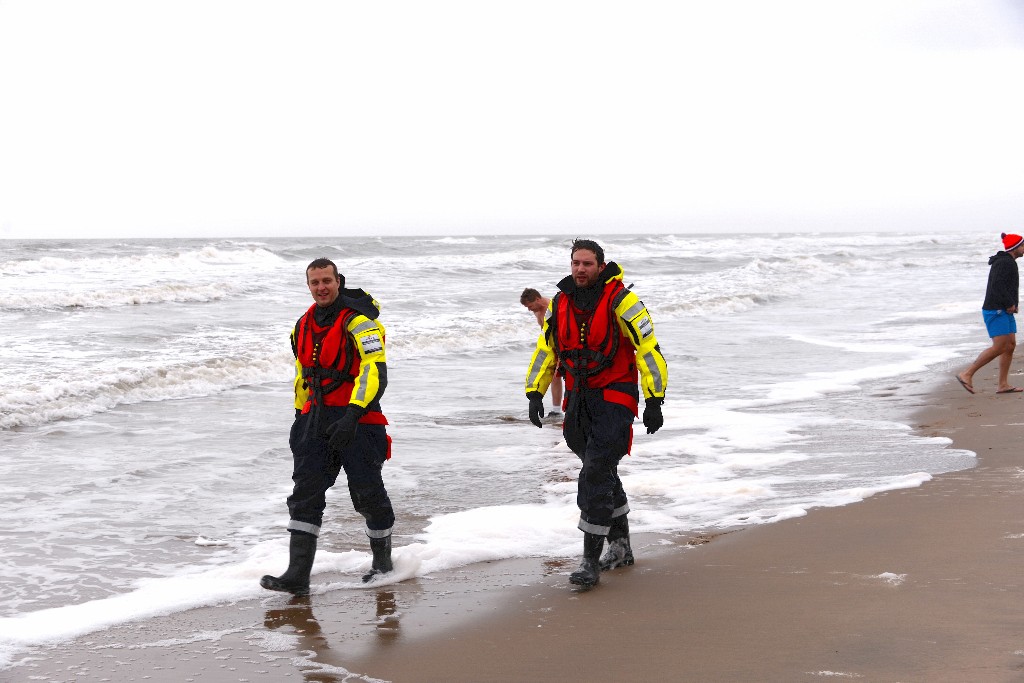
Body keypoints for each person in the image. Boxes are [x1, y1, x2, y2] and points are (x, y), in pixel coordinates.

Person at [523, 239, 669, 588]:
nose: (580, 269)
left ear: (600, 266)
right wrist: (534, 391)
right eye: (575, 263)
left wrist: (654, 400)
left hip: (615, 395)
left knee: (594, 473)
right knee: (599, 470)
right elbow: (547, 349)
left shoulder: (623, 300)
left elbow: (648, 350)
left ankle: (589, 562)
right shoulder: (560, 303)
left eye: (587, 263)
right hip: (578, 398)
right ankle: (621, 548)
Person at [261, 258, 396, 595]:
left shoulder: (361, 324)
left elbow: (374, 371)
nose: (321, 287)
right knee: (305, 494)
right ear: (308, 285)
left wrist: (352, 415)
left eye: (327, 280)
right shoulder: (301, 325)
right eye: (315, 282)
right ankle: (297, 575)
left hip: (358, 421)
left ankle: (382, 563)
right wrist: (300, 417)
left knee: (367, 494)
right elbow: (303, 375)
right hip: (314, 420)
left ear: (339, 282)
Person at [957, 233, 1024, 395]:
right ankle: (967, 373)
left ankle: (1003, 384)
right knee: (1000, 346)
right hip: (996, 309)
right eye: (1023, 246)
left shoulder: (1008, 262)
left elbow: (1008, 286)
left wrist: (1013, 303)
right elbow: (997, 286)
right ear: (1015, 247)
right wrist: (1009, 303)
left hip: (1004, 309)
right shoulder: (1004, 263)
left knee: (1010, 346)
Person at [520, 287, 563, 415]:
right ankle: (556, 410)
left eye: (530, 306)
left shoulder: (553, 307)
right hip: (551, 347)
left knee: (558, 374)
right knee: (554, 377)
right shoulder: (537, 311)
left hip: (563, 345)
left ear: (538, 299)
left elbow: (563, 330)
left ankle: (563, 409)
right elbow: (544, 331)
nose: (529, 309)